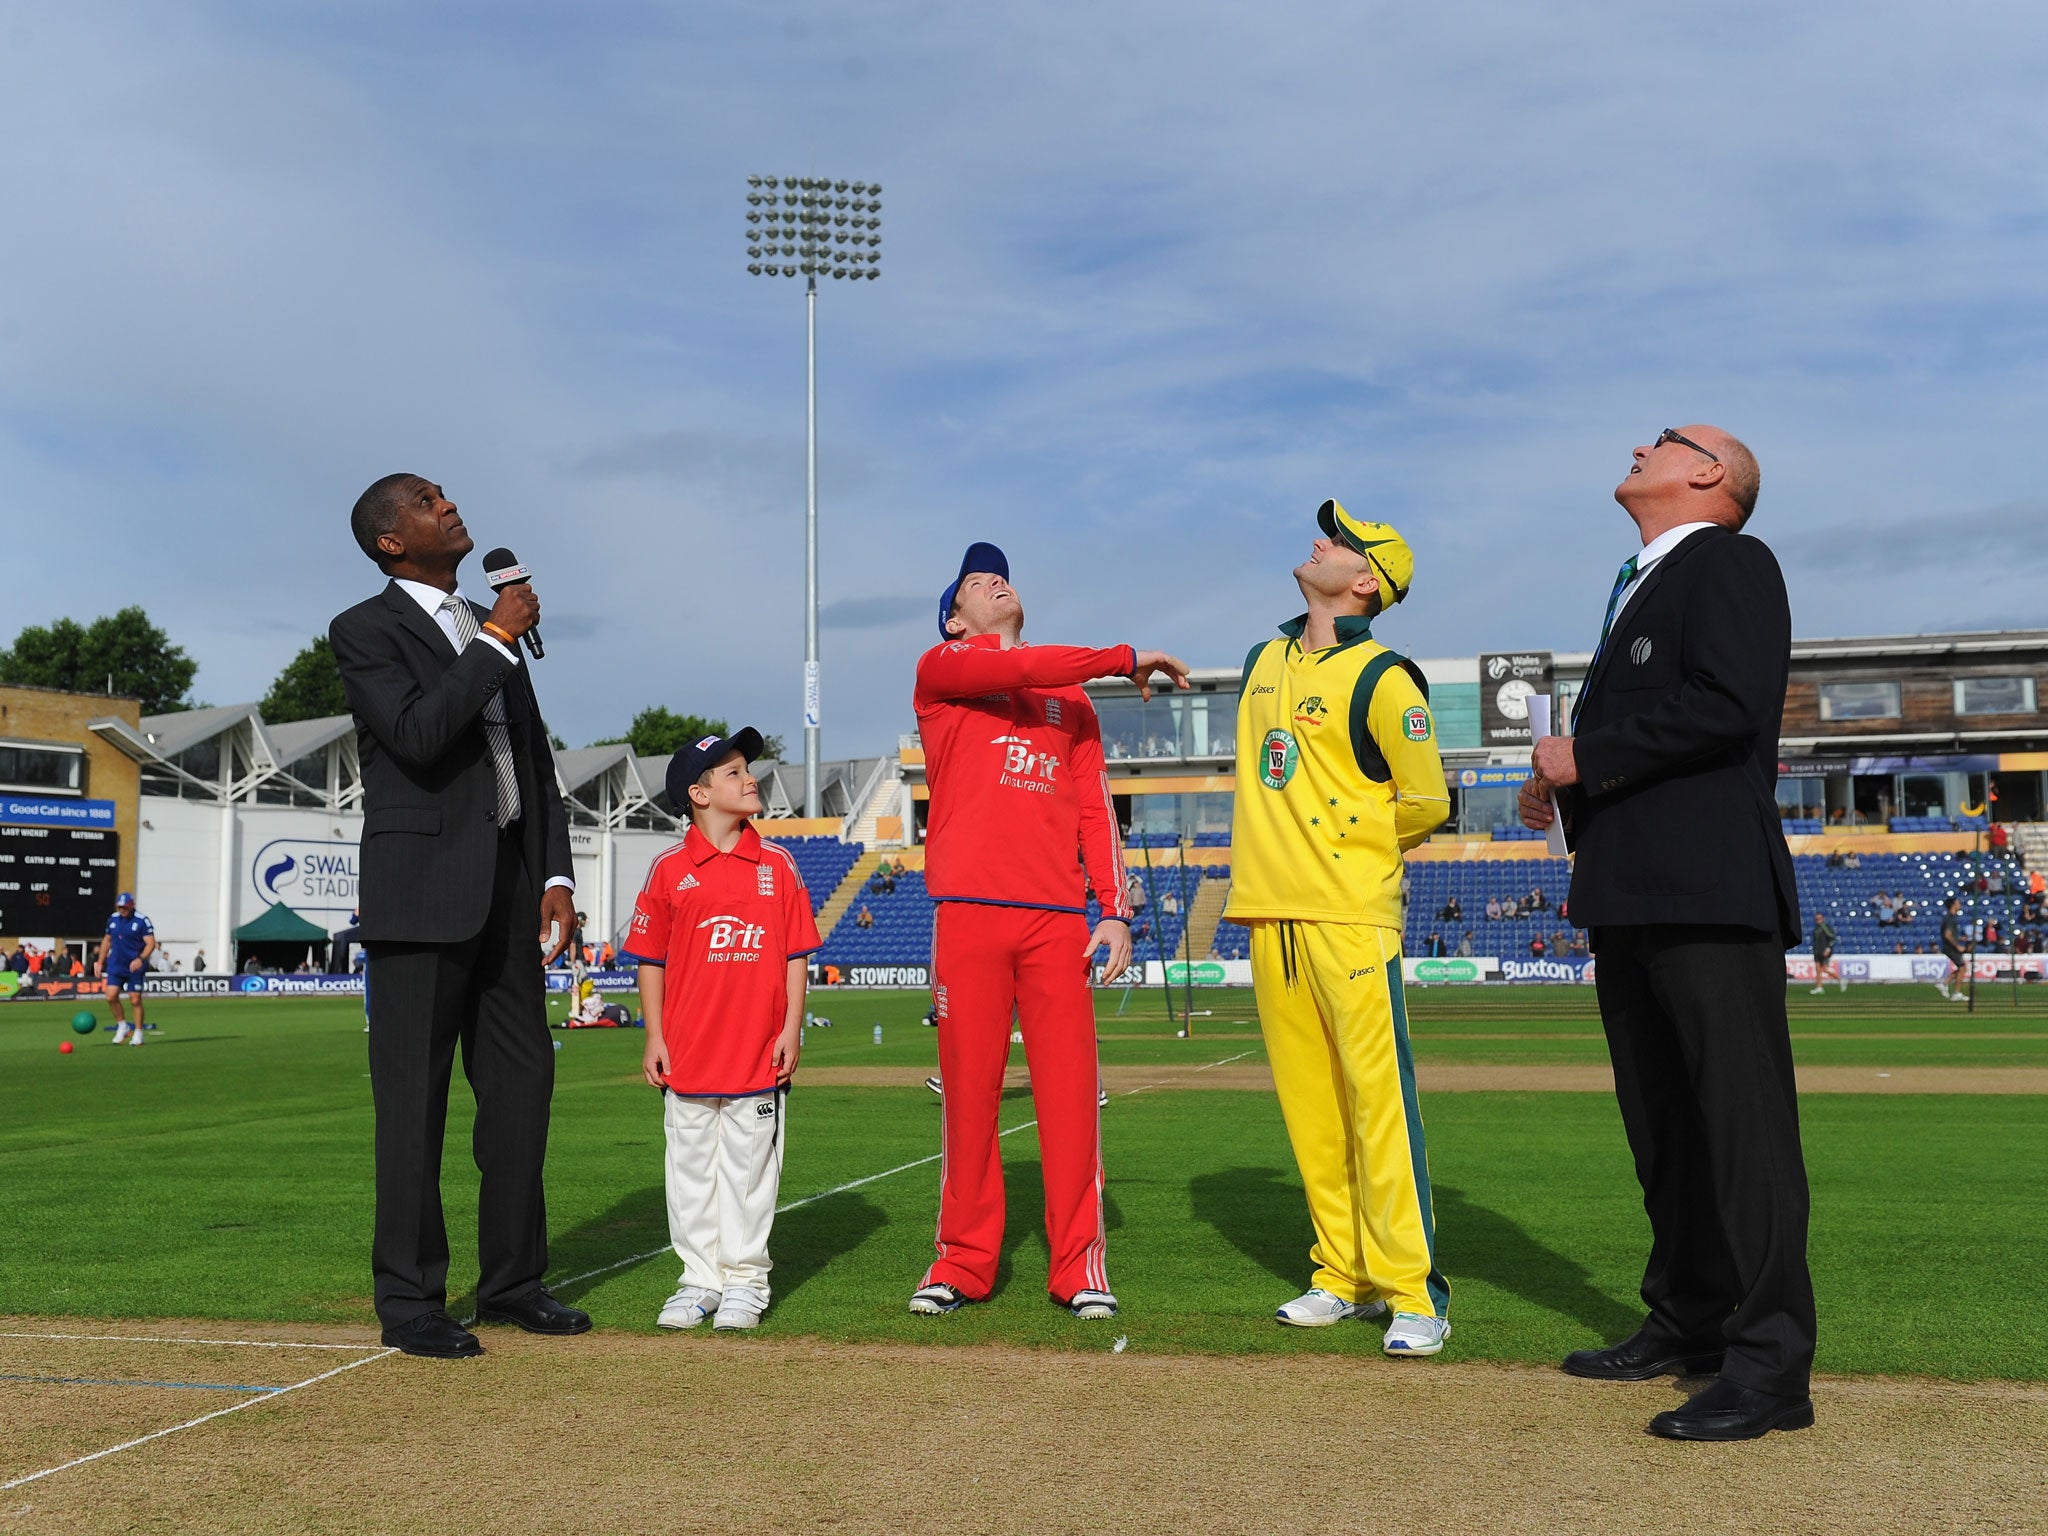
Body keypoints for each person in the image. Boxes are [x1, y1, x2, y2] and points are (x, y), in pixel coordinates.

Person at [1520, 425, 1814, 1441]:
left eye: (1665, 439)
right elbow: (1649, 737)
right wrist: (1564, 790)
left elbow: (1724, 708)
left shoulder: (1729, 560)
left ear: (1707, 476)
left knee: (1740, 1135)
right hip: (1630, 890)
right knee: (1665, 1133)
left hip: (1706, 890)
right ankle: (1688, 1318)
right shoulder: (1638, 582)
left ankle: (1770, 1366)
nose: (1640, 446)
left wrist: (1581, 756)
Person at [329, 472, 585, 1360]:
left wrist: (554, 871)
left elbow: (532, 757)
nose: (449, 504)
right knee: (415, 1108)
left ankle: (515, 1281)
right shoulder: (365, 630)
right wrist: (496, 639)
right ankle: (411, 1302)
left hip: (510, 895)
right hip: (420, 896)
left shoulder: (489, 626)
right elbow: (418, 734)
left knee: (520, 1097)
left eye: (446, 493)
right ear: (390, 541)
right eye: (426, 500)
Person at [906, 540, 1187, 1323]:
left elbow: (1096, 811)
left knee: (1070, 1100)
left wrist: (1114, 909)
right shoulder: (945, 673)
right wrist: (1121, 654)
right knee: (970, 1099)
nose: (995, 580)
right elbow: (1021, 669)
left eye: (1001, 574)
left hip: (1057, 922)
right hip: (968, 915)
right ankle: (962, 1262)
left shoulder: (1073, 701)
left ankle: (1078, 1267)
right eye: (974, 582)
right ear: (955, 621)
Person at [1224, 501, 1453, 1356]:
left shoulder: (1389, 676)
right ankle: (1339, 1275)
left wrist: (1351, 851)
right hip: (1268, 913)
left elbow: (1427, 799)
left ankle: (1412, 1292)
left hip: (1350, 920)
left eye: (1342, 542)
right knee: (1312, 1114)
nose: (1319, 541)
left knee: (1377, 1110)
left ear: (1365, 581)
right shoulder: (1264, 658)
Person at [624, 730, 821, 1332]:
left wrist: (791, 1029)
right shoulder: (668, 869)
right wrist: (654, 1036)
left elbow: (795, 955)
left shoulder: (778, 864)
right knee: (688, 1171)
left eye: (746, 770)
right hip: (687, 1052)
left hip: (757, 1052)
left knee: (749, 1171)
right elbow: (651, 960)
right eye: (732, 773)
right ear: (699, 793)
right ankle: (699, 1280)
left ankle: (745, 1281)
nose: (749, 778)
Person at [96, 892, 157, 1044]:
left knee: (135, 999)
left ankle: (138, 1032)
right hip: (116, 964)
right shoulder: (113, 919)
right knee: (110, 996)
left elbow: (151, 943)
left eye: (125, 907)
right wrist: (99, 961)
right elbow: (107, 940)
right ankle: (122, 1026)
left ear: (131, 906)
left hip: (134, 966)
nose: (122, 910)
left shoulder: (142, 920)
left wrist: (140, 959)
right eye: (120, 907)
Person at [1937, 897, 1969, 1000]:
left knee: (1962, 968)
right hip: (1950, 948)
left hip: (1949, 947)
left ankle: (1945, 984)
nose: (1960, 904)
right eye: (1958, 903)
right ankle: (1955, 992)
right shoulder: (1950, 918)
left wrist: (1959, 938)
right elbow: (1947, 935)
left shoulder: (1950, 918)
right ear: (1953, 905)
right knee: (1962, 968)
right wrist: (1957, 945)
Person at [1810, 912, 1845, 994]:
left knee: (1824, 969)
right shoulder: (1816, 928)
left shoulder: (1825, 927)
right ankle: (1819, 987)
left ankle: (1840, 980)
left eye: (1819, 918)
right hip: (1817, 952)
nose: (1818, 920)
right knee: (1818, 970)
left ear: (1823, 919)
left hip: (1824, 951)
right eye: (1816, 919)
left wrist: (1828, 949)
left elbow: (1832, 938)